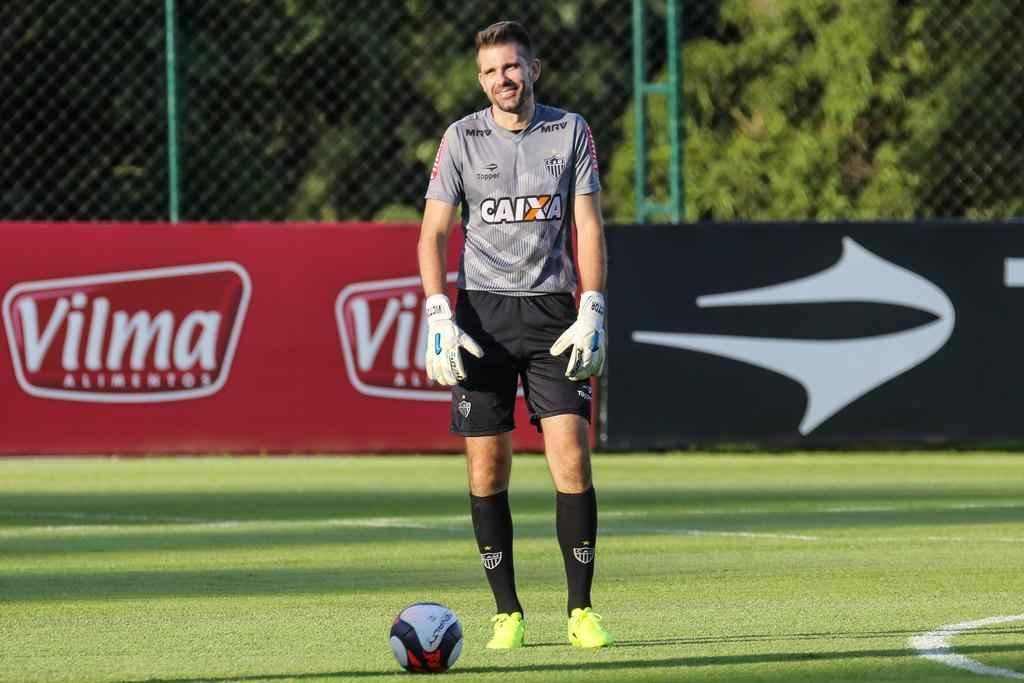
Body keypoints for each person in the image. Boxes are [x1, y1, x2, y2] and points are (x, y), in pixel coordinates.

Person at [417, 20, 612, 650]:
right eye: (490, 71)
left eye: (512, 66)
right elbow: (432, 235)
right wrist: (437, 313)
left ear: (534, 68)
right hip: (482, 319)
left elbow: (587, 225)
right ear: (480, 80)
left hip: (556, 315)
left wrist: (594, 306)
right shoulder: (460, 138)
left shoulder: (570, 130)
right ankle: (508, 613)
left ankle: (580, 611)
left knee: (572, 460)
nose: (502, 79)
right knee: (486, 469)